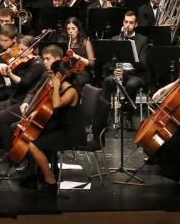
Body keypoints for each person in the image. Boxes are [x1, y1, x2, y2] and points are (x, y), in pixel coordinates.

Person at [14, 45, 84, 192]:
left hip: (71, 132)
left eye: (53, 74)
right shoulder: (58, 87)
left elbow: (57, 104)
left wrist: (56, 86)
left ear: (59, 75)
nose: (50, 76)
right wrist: (35, 113)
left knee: (33, 144)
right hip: (60, 125)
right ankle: (34, 173)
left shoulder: (70, 90)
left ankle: (50, 179)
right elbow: (50, 107)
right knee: (33, 135)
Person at [90, 11, 149, 147]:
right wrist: (113, 68)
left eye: (131, 23)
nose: (128, 25)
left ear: (136, 24)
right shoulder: (115, 38)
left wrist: (130, 54)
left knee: (132, 84)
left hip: (135, 73)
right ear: (123, 23)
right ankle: (102, 119)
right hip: (119, 72)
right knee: (107, 81)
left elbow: (144, 65)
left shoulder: (142, 40)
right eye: (126, 22)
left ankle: (127, 115)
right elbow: (107, 62)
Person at [60, 17, 95, 87]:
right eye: (68, 29)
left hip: (81, 73)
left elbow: (92, 63)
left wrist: (76, 56)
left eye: (73, 28)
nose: (70, 31)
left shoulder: (85, 43)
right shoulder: (64, 43)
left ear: (78, 30)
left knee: (75, 81)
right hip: (67, 72)